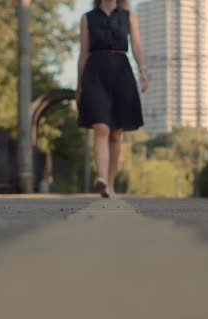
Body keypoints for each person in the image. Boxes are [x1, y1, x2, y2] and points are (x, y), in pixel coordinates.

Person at [77, 0, 149, 198]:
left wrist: (143, 70)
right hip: (95, 73)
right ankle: (101, 178)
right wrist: (79, 85)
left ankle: (109, 184)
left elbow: (136, 45)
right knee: (101, 127)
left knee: (116, 132)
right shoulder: (87, 18)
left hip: (121, 73)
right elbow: (83, 54)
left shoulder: (129, 16)